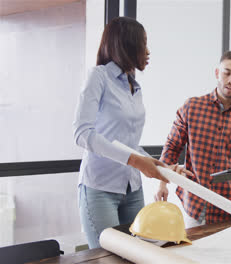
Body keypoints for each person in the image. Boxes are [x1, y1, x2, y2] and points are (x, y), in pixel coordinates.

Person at [72, 17, 191, 248]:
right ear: (126, 44)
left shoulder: (133, 86)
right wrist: (136, 160)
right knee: (108, 257)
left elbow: (129, 143)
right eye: (143, 43)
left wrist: (157, 165)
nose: (148, 51)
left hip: (132, 188)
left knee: (139, 253)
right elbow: (82, 133)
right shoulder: (99, 76)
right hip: (100, 188)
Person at [156, 50, 231, 226]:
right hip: (194, 206)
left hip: (229, 207)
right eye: (226, 73)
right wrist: (162, 184)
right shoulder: (192, 107)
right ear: (217, 73)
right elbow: (172, 147)